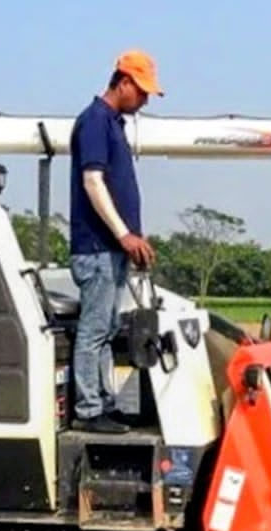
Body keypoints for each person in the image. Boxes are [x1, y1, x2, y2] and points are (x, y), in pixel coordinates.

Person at [67, 50, 161, 434]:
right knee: (94, 331)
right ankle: (90, 409)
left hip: (111, 249)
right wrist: (123, 234)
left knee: (105, 329)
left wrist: (129, 239)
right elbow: (93, 181)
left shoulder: (112, 124)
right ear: (123, 82)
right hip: (98, 249)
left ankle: (102, 403)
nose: (145, 100)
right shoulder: (95, 123)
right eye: (141, 92)